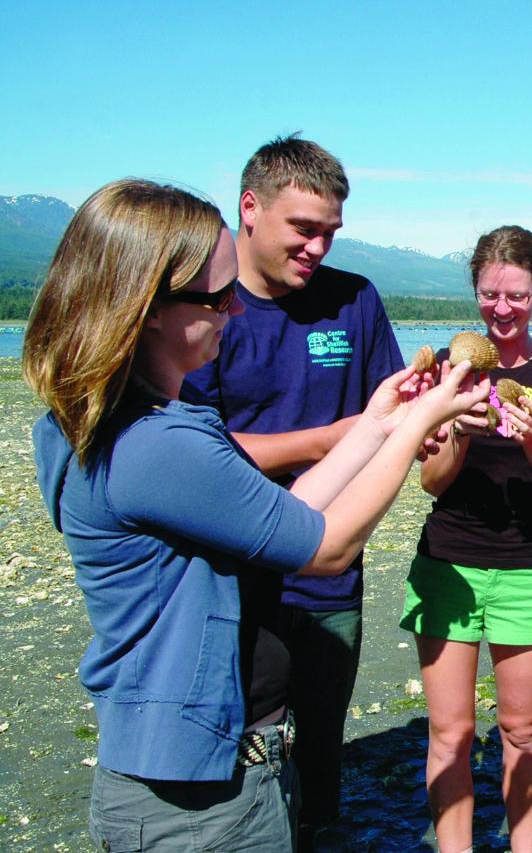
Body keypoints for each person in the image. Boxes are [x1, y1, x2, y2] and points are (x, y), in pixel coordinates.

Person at [24, 179, 486, 852]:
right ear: (146, 306)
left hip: (207, 770)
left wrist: (377, 424)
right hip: (199, 798)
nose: (235, 309)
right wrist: (419, 425)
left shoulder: (114, 422)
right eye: (216, 297)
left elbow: (277, 517)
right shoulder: (157, 443)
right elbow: (324, 547)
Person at [180, 135, 405, 840]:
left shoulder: (355, 300)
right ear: (249, 208)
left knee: (319, 763)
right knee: (233, 766)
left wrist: (426, 427)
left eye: (330, 234)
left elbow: (392, 418)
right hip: (227, 578)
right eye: (303, 229)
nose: (317, 248)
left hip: (330, 578)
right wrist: (342, 436)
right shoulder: (203, 310)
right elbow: (193, 451)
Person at [402, 225, 532, 852]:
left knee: (519, 730)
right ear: (476, 294)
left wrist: (530, 435)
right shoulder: (454, 370)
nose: (502, 309)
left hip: (528, 568)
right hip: (448, 566)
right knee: (450, 734)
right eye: (489, 295)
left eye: (515, 295)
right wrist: (456, 422)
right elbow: (431, 483)